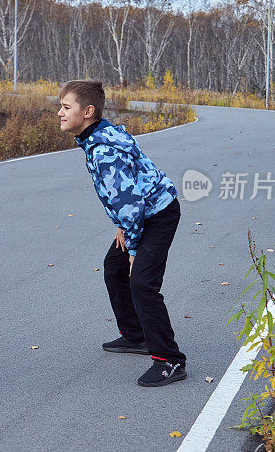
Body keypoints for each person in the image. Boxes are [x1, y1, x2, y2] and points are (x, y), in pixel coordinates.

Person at [58, 80, 186, 387]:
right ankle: (136, 334)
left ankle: (170, 360)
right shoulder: (98, 135)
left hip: (157, 214)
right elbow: (125, 189)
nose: (59, 113)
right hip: (141, 212)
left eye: (66, 107)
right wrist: (121, 224)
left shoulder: (103, 149)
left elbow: (130, 201)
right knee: (114, 269)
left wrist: (133, 248)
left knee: (142, 283)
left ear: (87, 112)